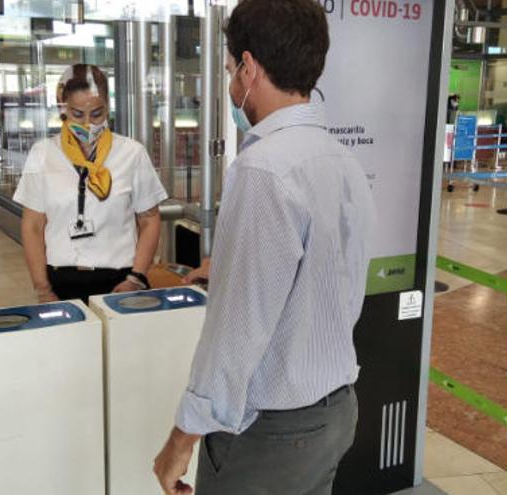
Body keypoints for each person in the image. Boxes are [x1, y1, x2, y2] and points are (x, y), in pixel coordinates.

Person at [153, 1, 376, 494]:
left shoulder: (263, 170)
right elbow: (334, 282)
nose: (232, 83)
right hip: (335, 412)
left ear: (249, 69)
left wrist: (181, 440)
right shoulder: (343, 161)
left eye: (232, 69)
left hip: (272, 434)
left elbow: (235, 333)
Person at [13, 64, 167, 304]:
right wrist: (42, 288)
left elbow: (149, 219)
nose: (88, 124)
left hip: (119, 282)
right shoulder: (42, 154)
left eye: (97, 114)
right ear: (62, 109)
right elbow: (32, 225)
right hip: (60, 282)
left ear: (108, 106)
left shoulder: (131, 153)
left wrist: (136, 277)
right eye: (77, 114)